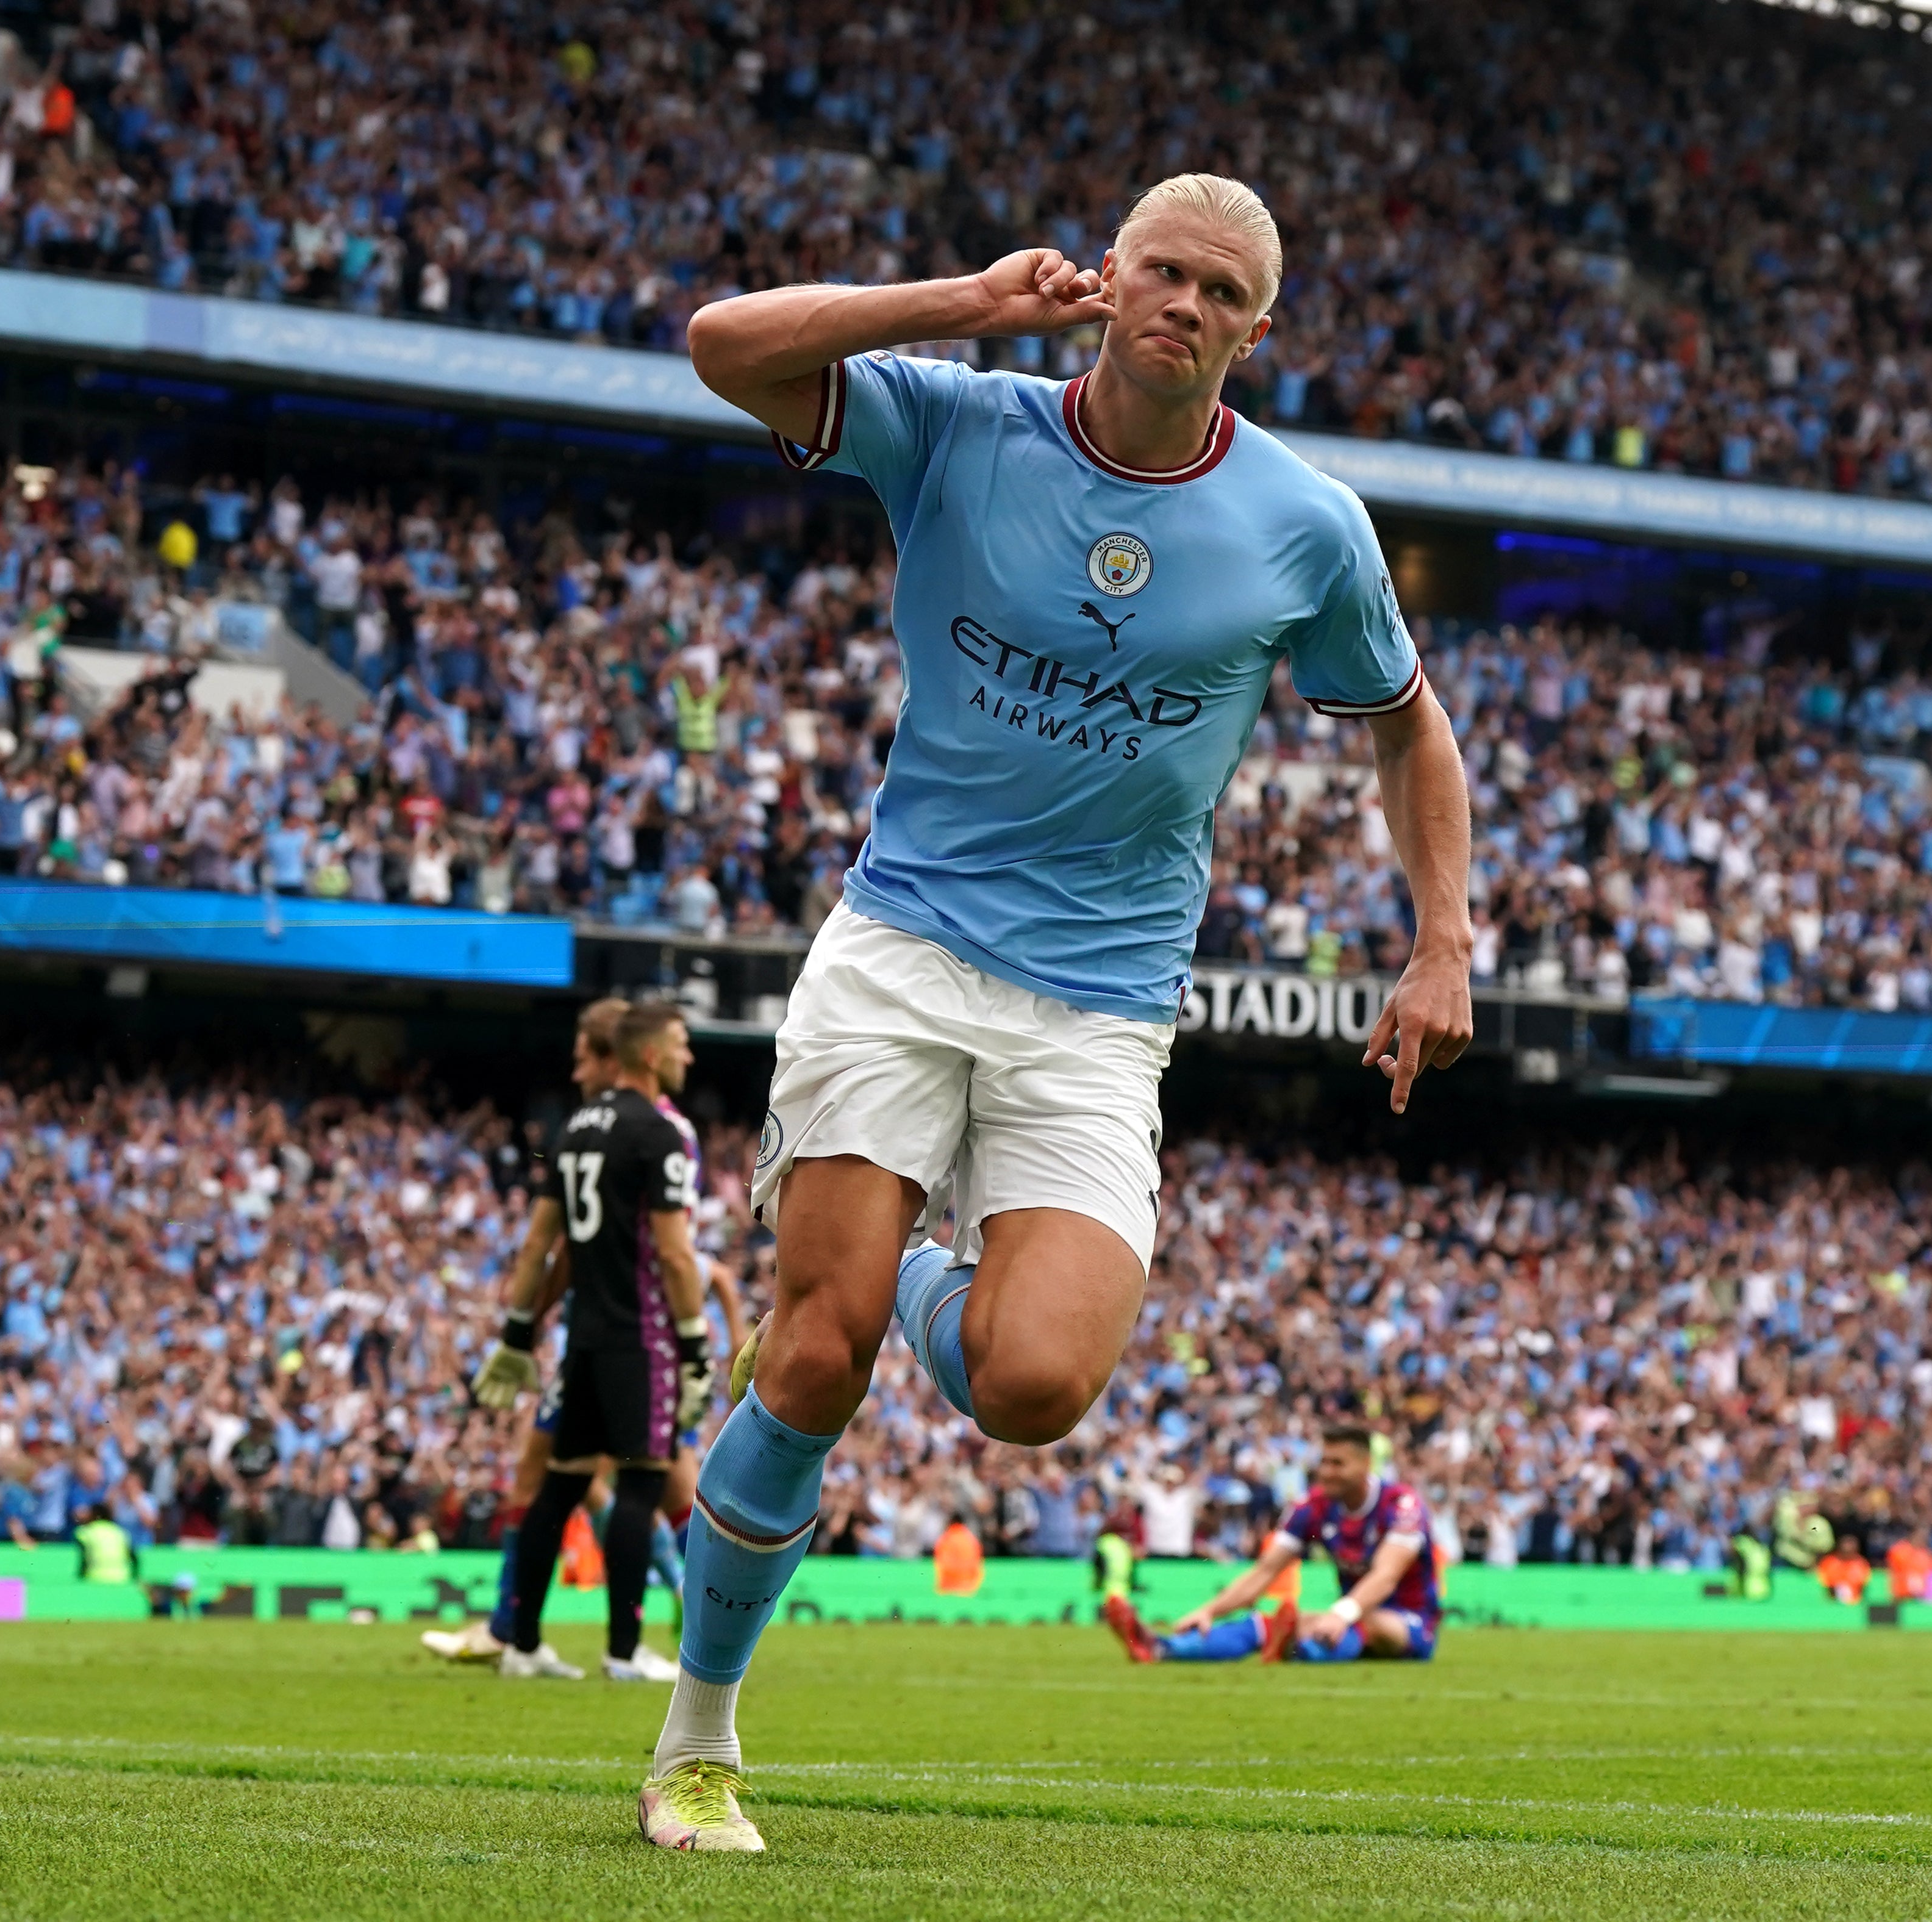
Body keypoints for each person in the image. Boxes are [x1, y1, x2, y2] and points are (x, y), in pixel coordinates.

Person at [640, 171, 1473, 1853]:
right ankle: (697, 1741)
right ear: (1109, 277)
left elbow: (1404, 724)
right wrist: (960, 300)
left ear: (1257, 327)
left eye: (1221, 290)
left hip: (1098, 1006)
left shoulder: (1306, 523)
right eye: (1161, 270)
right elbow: (719, 345)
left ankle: (910, 1270)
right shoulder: (963, 421)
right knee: (814, 1347)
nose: (1184, 302)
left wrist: (1440, 936)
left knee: (1033, 1383)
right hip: (902, 949)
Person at [467, 1000, 715, 1684]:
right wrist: (695, 1348)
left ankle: (520, 1643)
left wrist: (518, 1331)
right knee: (638, 1485)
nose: (686, 1057)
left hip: (581, 1339)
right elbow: (673, 1253)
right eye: (679, 1044)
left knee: (559, 1486)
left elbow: (541, 1244)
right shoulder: (661, 1134)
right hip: (640, 1338)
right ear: (648, 1054)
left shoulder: (573, 1129)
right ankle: (624, 1649)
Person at [1103, 1427, 1440, 1666]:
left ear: (1366, 1465)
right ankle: (1163, 1649)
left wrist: (1341, 1614)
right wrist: (1211, 1610)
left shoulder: (1402, 1505)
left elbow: (1386, 1576)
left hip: (1409, 1623)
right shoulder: (1313, 1507)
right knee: (1263, 1623)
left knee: (1366, 1624)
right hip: (1349, 1615)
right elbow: (1265, 1570)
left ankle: (1299, 1651)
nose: (1326, 1472)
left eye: (1338, 1464)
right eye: (1324, 1462)